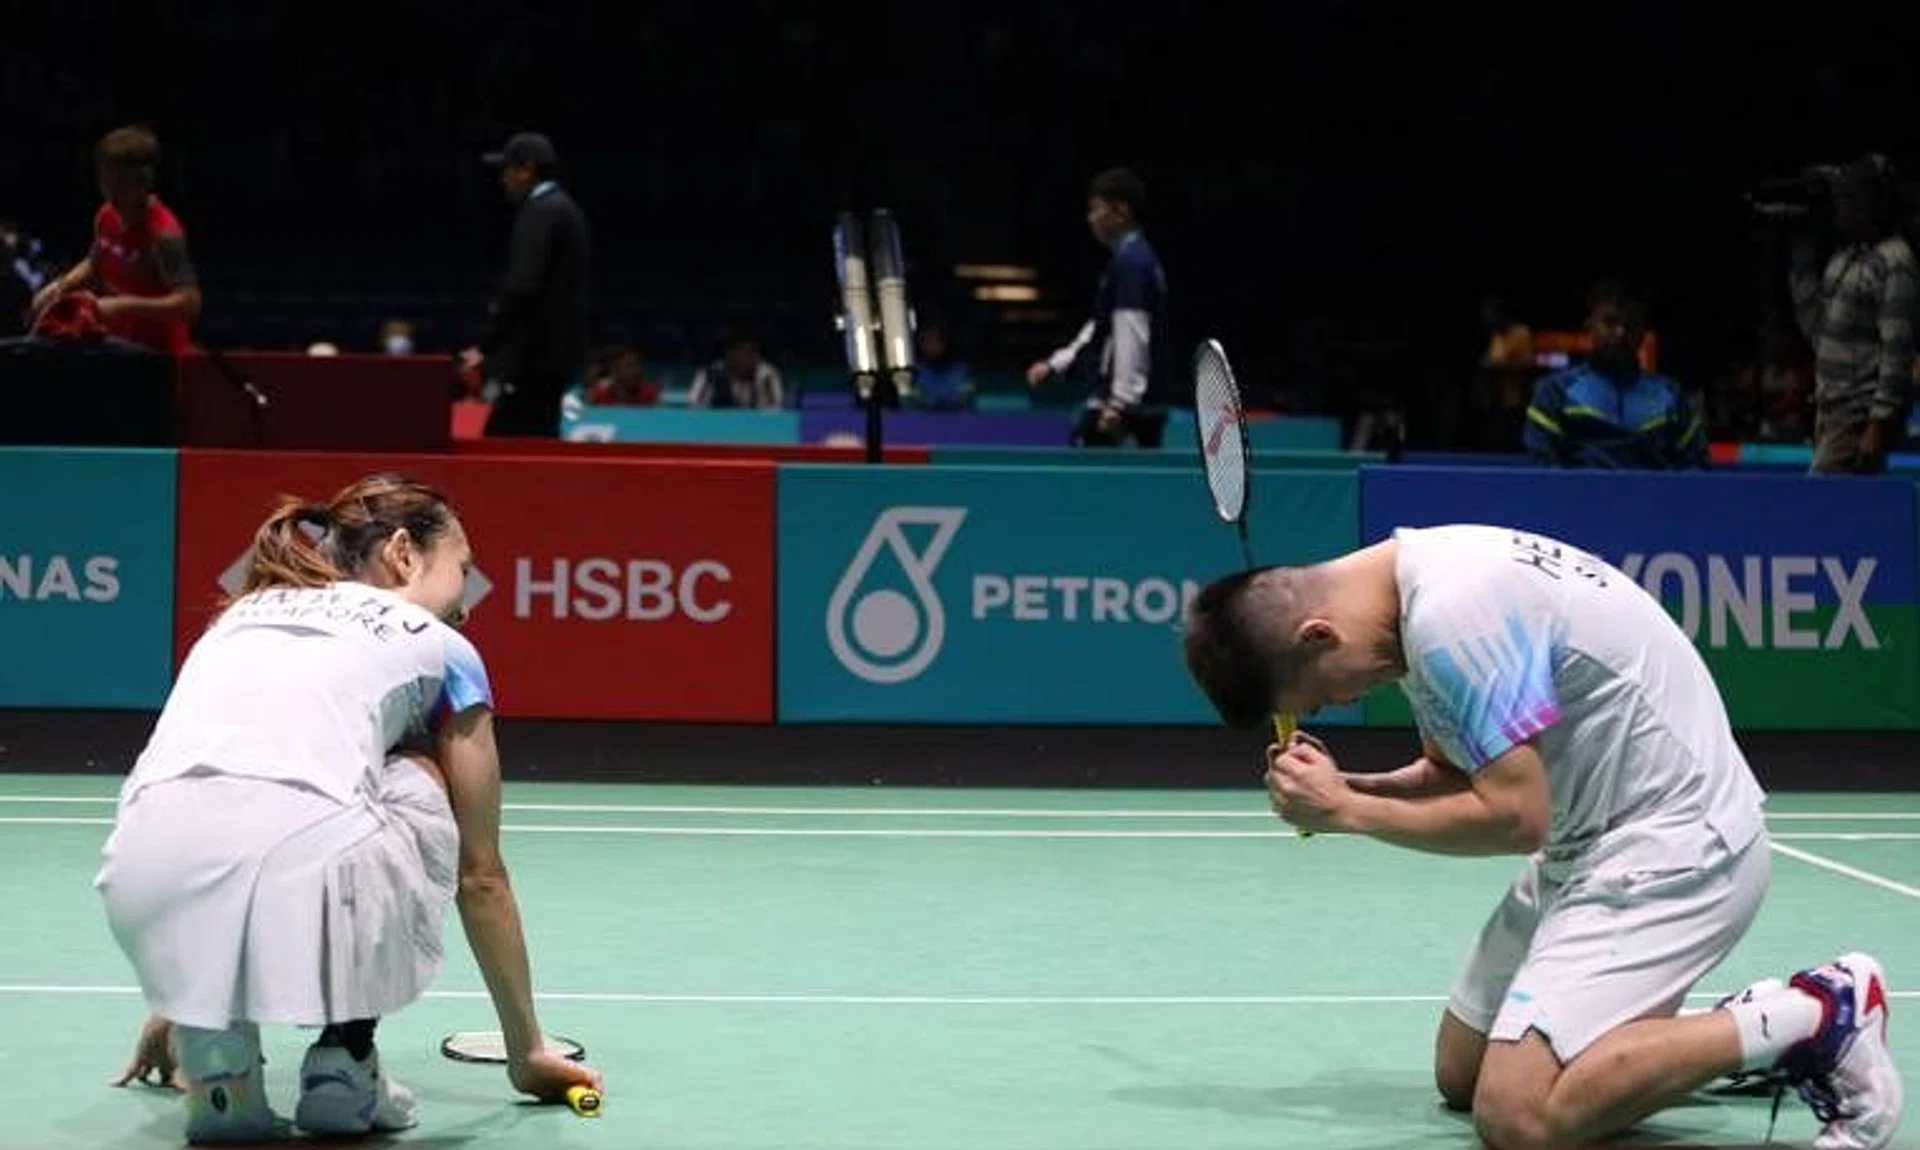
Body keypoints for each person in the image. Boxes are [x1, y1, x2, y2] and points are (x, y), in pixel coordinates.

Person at [1180, 523, 1902, 1150]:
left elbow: (1513, 816)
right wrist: (1350, 790)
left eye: (1319, 694)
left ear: (1317, 635)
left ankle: (1821, 1013)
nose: (1339, 703)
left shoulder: (1455, 617)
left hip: (1677, 849)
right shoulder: (1403, 597)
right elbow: (1451, 770)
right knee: (1462, 1076)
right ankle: (1721, 1037)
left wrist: (1346, 813)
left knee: (1518, 1114)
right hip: (1589, 842)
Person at [94, 473, 602, 1142]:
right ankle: (345, 1063)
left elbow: (217, 806)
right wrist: (526, 1050)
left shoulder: (241, 615)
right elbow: (481, 876)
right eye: (463, 570)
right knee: (417, 774)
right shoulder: (441, 645)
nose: (467, 604)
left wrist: (182, 995)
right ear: (402, 553)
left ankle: (221, 1067)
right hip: (304, 879)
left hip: (137, 885)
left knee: (253, 803)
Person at [1790, 154, 1917, 475]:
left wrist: (1878, 424)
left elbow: (1897, 352)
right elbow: (1818, 333)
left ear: (1871, 205)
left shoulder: (1895, 261)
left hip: (1858, 415)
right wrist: (1801, 254)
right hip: (1828, 407)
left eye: (1848, 199)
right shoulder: (1845, 257)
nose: (1839, 206)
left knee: (1819, 506)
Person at [1027, 167, 1171, 447]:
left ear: (1120, 211)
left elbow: (1133, 333)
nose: (1090, 219)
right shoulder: (1129, 260)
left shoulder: (1133, 264)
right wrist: (1056, 364)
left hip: (1127, 405)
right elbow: (1101, 326)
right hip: (1138, 400)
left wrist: (1120, 403)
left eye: (1096, 209)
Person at [461, 131, 591, 438]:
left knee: (503, 450)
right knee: (537, 444)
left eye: (507, 170)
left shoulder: (541, 212)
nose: (503, 178)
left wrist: (486, 347)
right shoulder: (565, 209)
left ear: (527, 169)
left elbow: (522, 286)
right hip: (552, 360)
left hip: (533, 362)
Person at [29, 125, 202, 355]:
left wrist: (121, 306)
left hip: (160, 357)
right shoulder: (106, 215)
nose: (111, 192)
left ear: (144, 182)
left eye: (121, 184)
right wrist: (61, 286)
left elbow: (189, 304)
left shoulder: (163, 234)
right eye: (105, 181)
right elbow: (95, 260)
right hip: (119, 348)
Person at [1522, 281, 1707, 469]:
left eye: (1632, 324)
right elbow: (1543, 469)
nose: (1620, 332)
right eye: (1610, 322)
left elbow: (1695, 469)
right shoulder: (1555, 393)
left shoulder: (1672, 396)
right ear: (1589, 326)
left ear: (1643, 333)